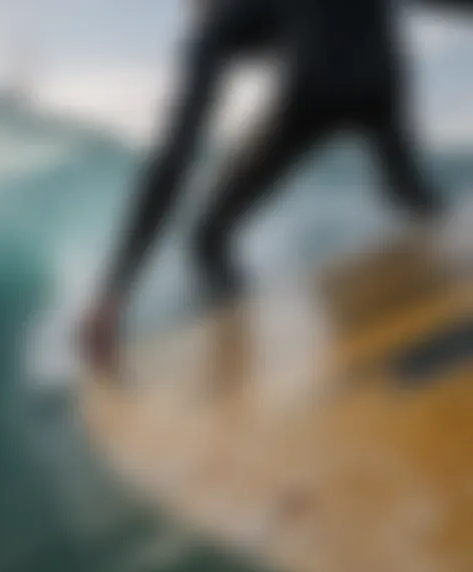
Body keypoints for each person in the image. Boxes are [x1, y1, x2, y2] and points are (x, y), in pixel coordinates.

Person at [80, 0, 470, 372]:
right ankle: (453, 263)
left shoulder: (219, 19)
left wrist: (115, 289)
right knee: (408, 192)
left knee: (207, 238)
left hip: (315, 87)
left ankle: (238, 353)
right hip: (384, 74)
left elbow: (178, 152)